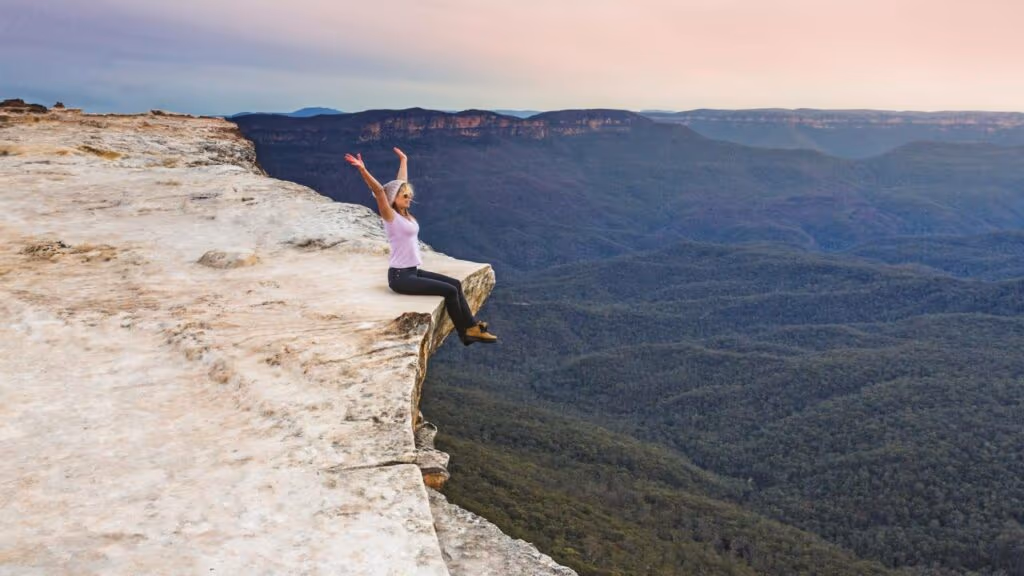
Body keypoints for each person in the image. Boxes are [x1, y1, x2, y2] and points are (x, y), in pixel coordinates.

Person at [344, 147, 497, 346]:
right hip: (400, 278)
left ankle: (472, 326)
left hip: (412, 271)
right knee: (449, 292)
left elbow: (401, 184)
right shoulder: (391, 217)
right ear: (393, 200)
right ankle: (466, 333)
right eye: (404, 195)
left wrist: (404, 161)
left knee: (456, 285)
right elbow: (380, 191)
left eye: (409, 194)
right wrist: (363, 170)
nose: (408, 197)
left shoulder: (405, 214)